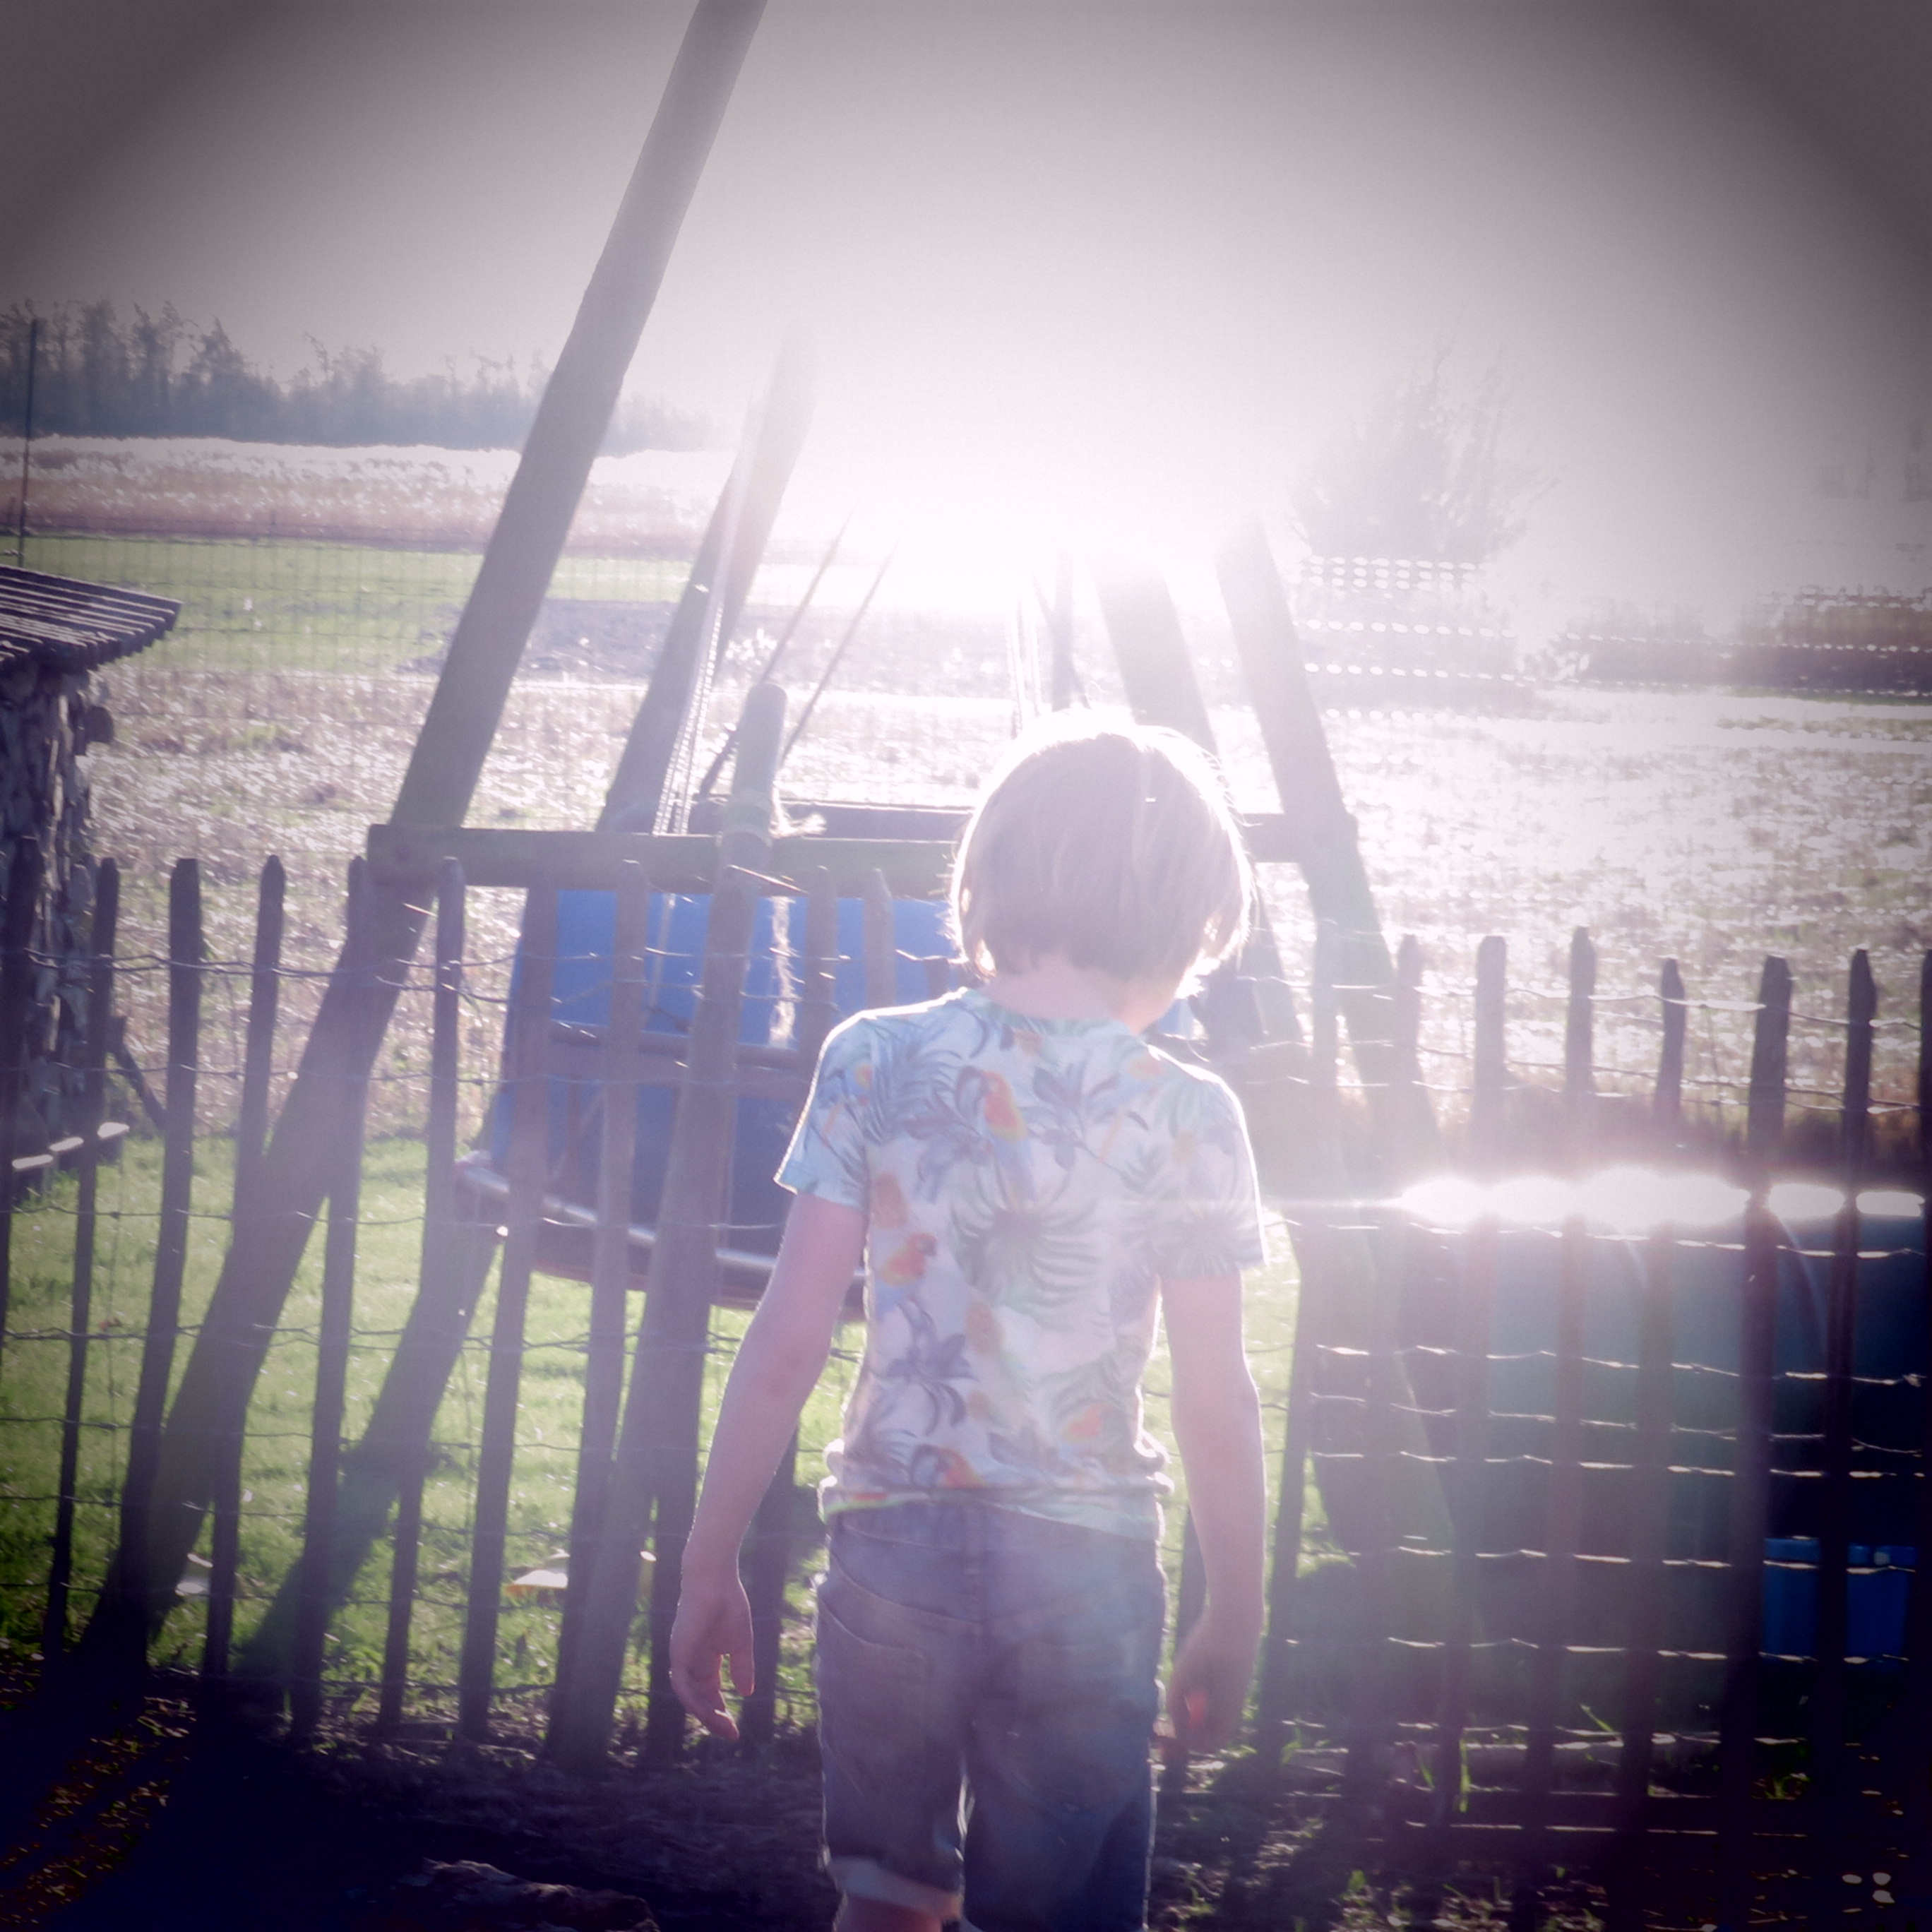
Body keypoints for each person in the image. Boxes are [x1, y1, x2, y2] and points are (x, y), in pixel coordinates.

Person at [670, 721, 1270, 1932]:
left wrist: (707, 1562)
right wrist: (1239, 1609)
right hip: (1087, 1573)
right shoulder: (1190, 1112)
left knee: (887, 1902)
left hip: (892, 1555)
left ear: (987, 876)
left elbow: (787, 1341)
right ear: (1187, 918)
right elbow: (1216, 1393)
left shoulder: (875, 1058)